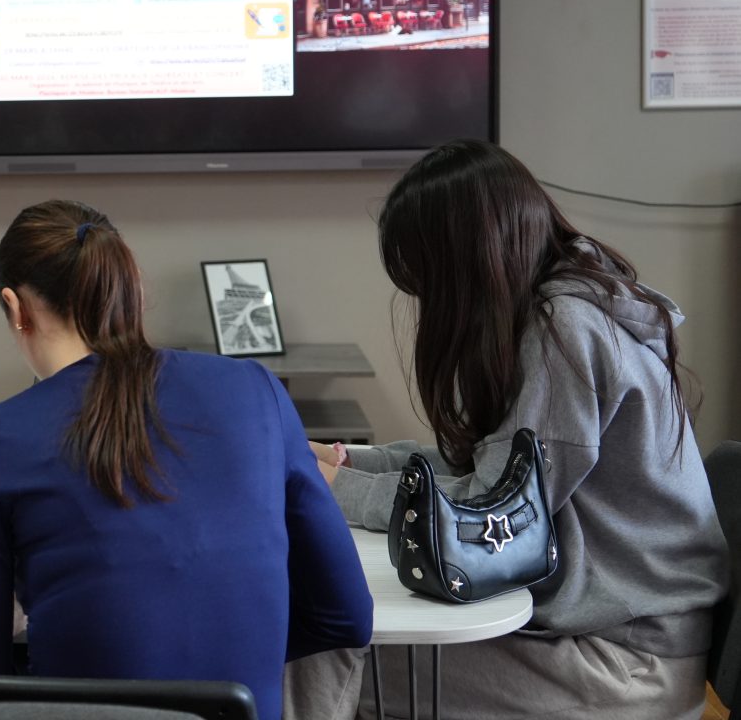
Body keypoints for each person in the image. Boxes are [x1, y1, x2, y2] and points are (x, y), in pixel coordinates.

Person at [284, 139, 728, 720]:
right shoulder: (570, 308)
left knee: (318, 645)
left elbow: (486, 517)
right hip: (613, 637)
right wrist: (351, 462)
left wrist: (334, 488)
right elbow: (488, 468)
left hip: (625, 663)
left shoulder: (565, 333)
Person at [0, 200, 371, 720]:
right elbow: (346, 617)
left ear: (16, 307)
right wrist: (223, 664)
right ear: (124, 287)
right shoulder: (255, 391)